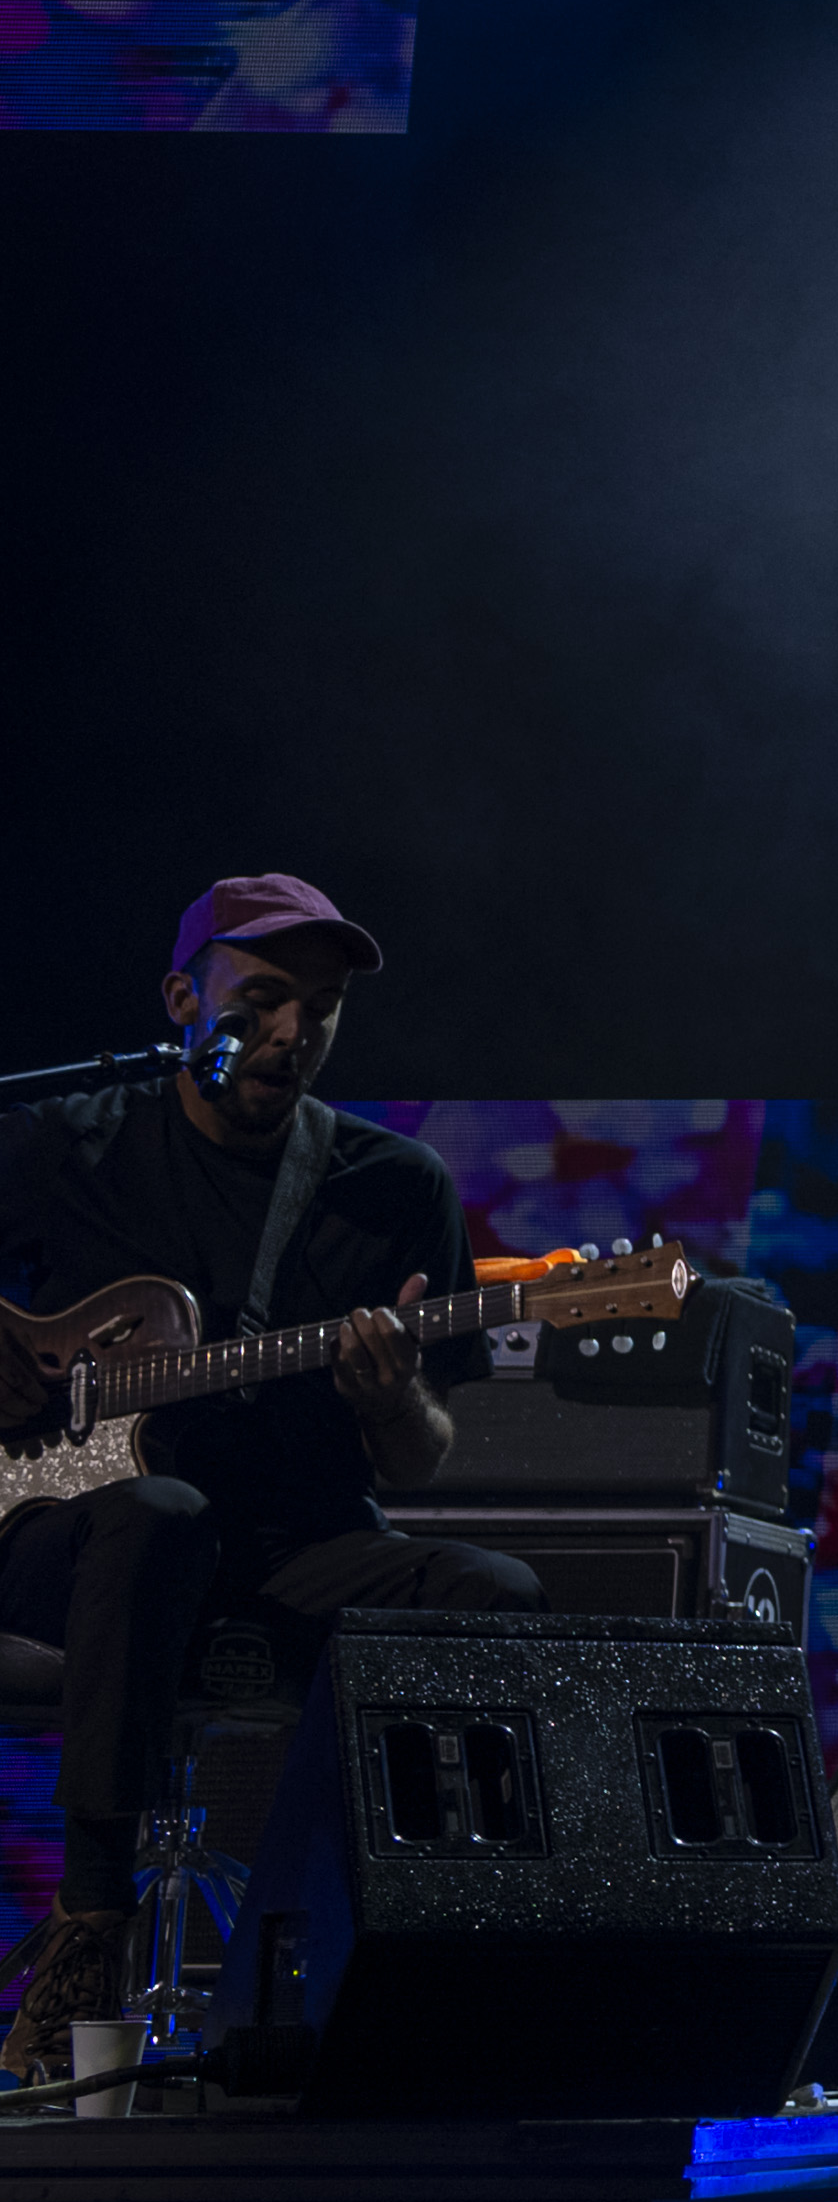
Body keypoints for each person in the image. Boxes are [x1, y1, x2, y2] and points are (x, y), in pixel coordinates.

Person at [1, 875, 541, 2074]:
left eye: (324, 1007)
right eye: (266, 999)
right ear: (183, 1003)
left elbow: (419, 1457)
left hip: (293, 1546)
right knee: (157, 1514)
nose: (295, 1032)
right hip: (65, 1538)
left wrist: (390, 1396)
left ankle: (429, 1953)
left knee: (498, 1596)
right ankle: (90, 1924)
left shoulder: (393, 1187)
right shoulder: (66, 1142)